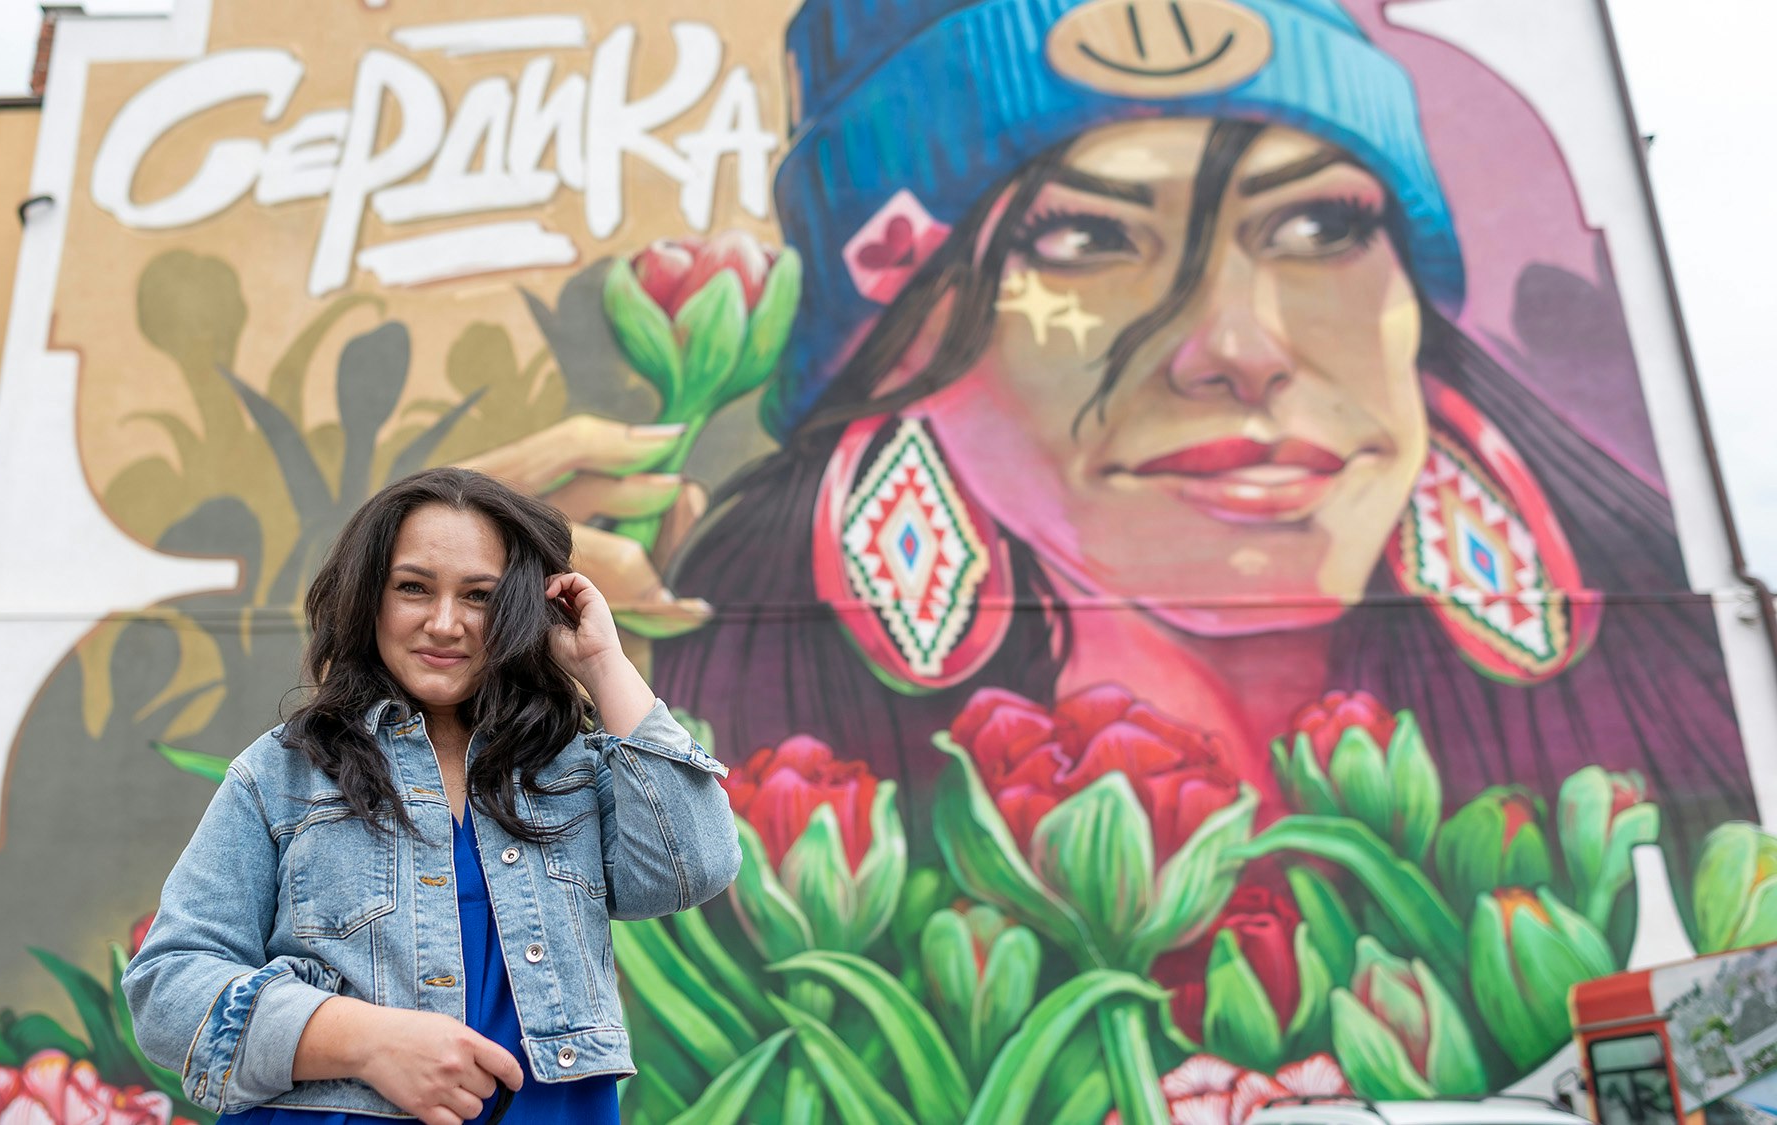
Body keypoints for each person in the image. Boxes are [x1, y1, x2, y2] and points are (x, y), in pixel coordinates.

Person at [654, 0, 1754, 876]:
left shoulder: (1672, 705)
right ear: (894, 345)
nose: (1238, 345)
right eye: (1084, 236)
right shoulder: (715, 762)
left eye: (1320, 225)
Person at [123, 467, 741, 1125]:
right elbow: (168, 988)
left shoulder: (572, 772)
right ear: (371, 600)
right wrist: (367, 1041)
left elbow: (694, 866)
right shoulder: (282, 773)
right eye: (413, 588)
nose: (444, 623)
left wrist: (600, 661)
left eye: (480, 595)